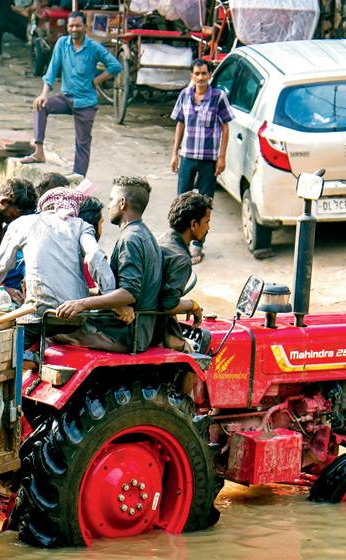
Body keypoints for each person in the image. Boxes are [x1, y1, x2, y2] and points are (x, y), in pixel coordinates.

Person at [53, 177, 163, 352]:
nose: (109, 205)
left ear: (122, 203)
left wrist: (82, 304)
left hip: (123, 333)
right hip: (136, 330)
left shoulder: (131, 239)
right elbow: (121, 289)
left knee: (50, 329)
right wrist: (85, 294)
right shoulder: (144, 234)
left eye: (111, 200)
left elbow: (129, 293)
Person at [0, 187, 114, 322]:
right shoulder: (81, 225)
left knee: (16, 337)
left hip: (38, 315)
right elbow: (95, 255)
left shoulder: (22, 223)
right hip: (76, 316)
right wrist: (110, 298)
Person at [19, 11, 121, 175]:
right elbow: (51, 71)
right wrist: (44, 93)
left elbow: (115, 66)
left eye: (78, 25)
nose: (74, 29)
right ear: (67, 27)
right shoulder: (61, 43)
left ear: (85, 27)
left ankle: (78, 180)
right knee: (40, 106)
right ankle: (39, 152)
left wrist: (97, 80)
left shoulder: (93, 47)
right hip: (65, 98)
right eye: (71, 26)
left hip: (86, 102)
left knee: (82, 143)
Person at [169, 58, 232, 248]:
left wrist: (222, 157)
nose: (200, 77)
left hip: (208, 159)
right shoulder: (184, 95)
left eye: (204, 73)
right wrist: (174, 153)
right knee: (182, 200)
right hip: (187, 156)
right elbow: (180, 123)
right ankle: (179, 241)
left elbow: (225, 127)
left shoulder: (218, 97)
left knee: (204, 205)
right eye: (197, 74)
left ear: (210, 75)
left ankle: (198, 244)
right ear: (192, 76)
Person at [157, 191, 212, 349]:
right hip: (154, 326)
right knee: (192, 353)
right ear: (194, 224)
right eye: (206, 222)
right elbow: (169, 304)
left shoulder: (160, 240)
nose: (208, 227)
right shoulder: (181, 259)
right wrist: (192, 305)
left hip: (143, 313)